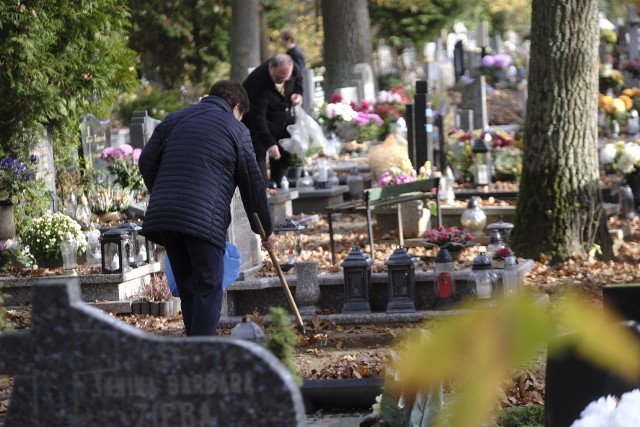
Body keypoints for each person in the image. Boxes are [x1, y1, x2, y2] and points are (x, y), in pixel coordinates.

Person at [138, 80, 276, 336]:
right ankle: (203, 356)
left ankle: (195, 351)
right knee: (209, 286)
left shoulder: (174, 119)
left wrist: (165, 191)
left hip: (167, 217)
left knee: (190, 288)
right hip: (204, 220)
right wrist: (266, 231)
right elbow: (253, 187)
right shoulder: (236, 130)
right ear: (236, 107)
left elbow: (146, 161)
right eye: (241, 115)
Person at [242, 53, 304, 186]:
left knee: (282, 155)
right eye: (277, 78)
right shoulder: (259, 81)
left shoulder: (294, 69)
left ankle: (279, 183)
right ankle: (262, 190)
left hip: (280, 117)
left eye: (284, 78)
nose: (281, 81)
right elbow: (258, 117)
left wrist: (297, 94)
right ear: (270, 67)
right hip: (255, 122)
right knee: (259, 157)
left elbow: (298, 82)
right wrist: (269, 143)